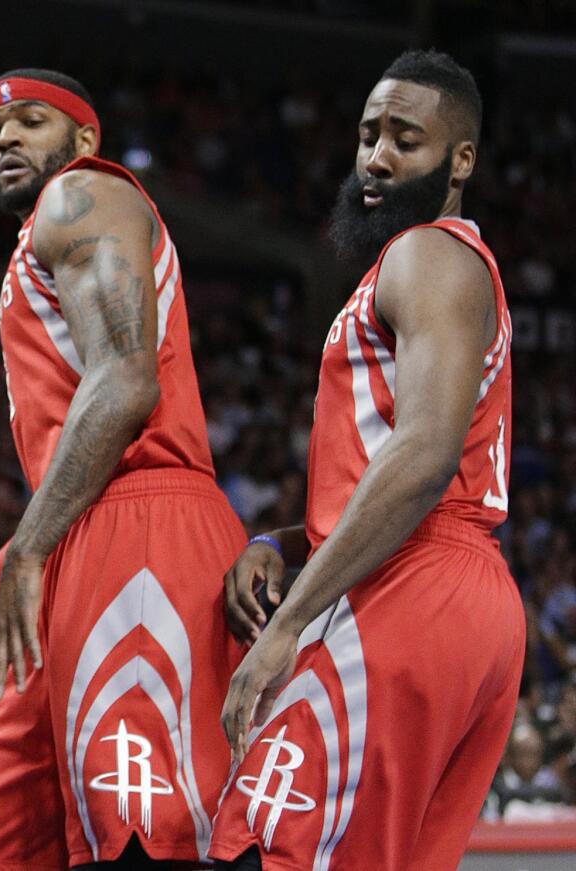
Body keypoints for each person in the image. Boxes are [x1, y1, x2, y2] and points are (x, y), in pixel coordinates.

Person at [0, 69, 246, 868]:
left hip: (147, 538)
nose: (7, 141)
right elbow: (67, 503)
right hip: (84, 546)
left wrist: (33, 547)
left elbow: (128, 379)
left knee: (145, 840)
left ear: (84, 139)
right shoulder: (42, 244)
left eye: (30, 122)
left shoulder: (81, 196)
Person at [211, 50, 524, 871]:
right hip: (467, 597)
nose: (376, 157)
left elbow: (423, 454)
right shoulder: (443, 266)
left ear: (461, 161)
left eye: (405, 140)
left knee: (263, 853)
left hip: (407, 585)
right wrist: (288, 537)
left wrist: (286, 625)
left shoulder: (427, 255)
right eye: (367, 135)